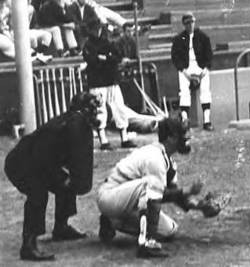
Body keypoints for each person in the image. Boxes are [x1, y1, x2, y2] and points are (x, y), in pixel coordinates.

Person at [4, 92, 100, 261]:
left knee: (68, 182)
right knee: (38, 192)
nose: (95, 112)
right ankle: (28, 245)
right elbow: (41, 158)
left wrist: (67, 178)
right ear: (82, 110)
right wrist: (61, 177)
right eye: (92, 108)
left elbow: (72, 160)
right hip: (21, 162)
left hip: (39, 160)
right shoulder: (64, 126)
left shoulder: (77, 124)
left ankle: (61, 228)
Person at [97, 114, 202, 258]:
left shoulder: (167, 161)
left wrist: (200, 206)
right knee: (149, 186)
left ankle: (113, 220)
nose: (186, 137)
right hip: (110, 196)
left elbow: (171, 194)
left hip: (126, 201)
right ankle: (147, 243)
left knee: (169, 230)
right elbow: (156, 193)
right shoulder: (155, 158)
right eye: (181, 134)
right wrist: (187, 190)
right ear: (170, 137)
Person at [83, 19, 136, 150]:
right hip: (97, 82)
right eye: (95, 29)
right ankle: (104, 141)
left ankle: (124, 138)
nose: (98, 31)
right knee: (100, 110)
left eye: (99, 28)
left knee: (119, 107)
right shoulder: (88, 45)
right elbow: (92, 60)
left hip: (111, 80)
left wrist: (105, 58)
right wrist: (106, 59)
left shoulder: (107, 43)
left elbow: (116, 57)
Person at [171, 12, 214, 131]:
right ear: (184, 25)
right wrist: (184, 71)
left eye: (192, 22)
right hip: (186, 67)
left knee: (205, 90)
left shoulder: (203, 37)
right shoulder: (179, 39)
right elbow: (175, 57)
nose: (190, 25)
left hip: (200, 67)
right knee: (184, 91)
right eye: (187, 23)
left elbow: (209, 55)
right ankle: (185, 120)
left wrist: (205, 70)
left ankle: (207, 120)